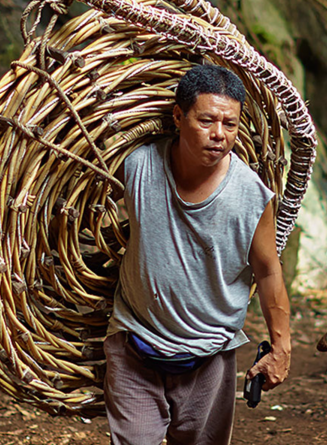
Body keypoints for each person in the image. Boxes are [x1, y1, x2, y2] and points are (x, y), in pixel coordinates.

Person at [103, 64, 291, 445]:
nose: (219, 135)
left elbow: (268, 271)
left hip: (209, 358)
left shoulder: (251, 196)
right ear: (178, 116)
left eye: (230, 124)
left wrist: (281, 347)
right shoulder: (138, 165)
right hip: (135, 344)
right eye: (206, 120)